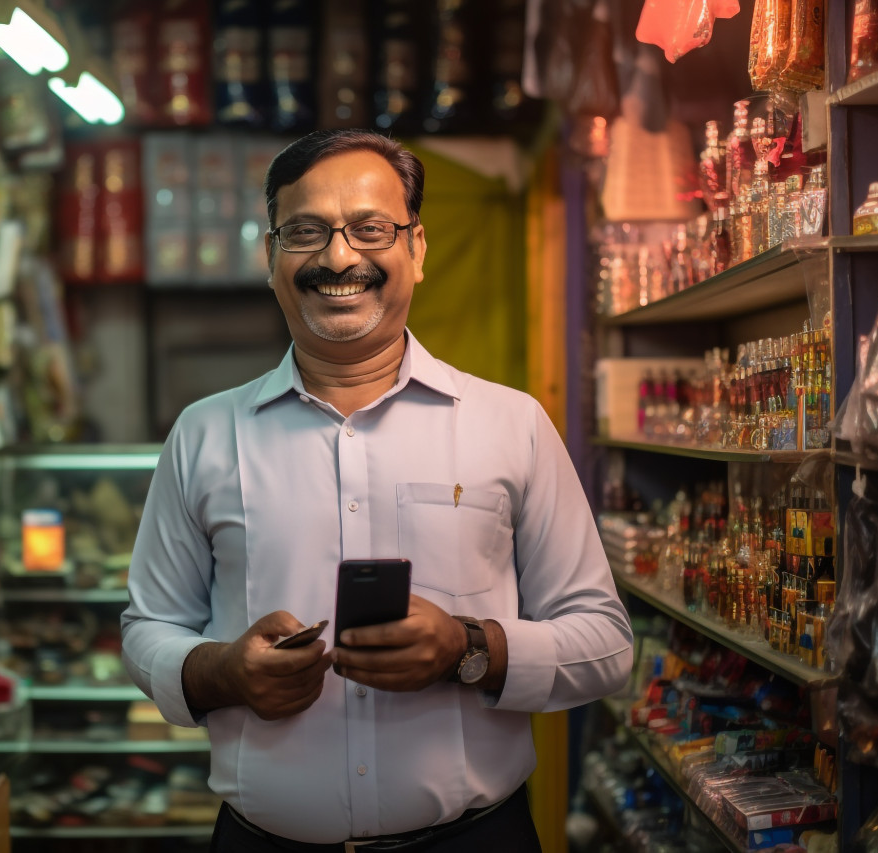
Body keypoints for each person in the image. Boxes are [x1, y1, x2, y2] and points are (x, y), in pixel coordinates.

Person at [121, 128, 633, 852]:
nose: (338, 257)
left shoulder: (510, 424)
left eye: (370, 229)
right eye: (305, 231)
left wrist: (468, 646)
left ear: (416, 250)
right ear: (270, 257)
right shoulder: (205, 434)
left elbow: (606, 643)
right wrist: (223, 672)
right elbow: (147, 628)